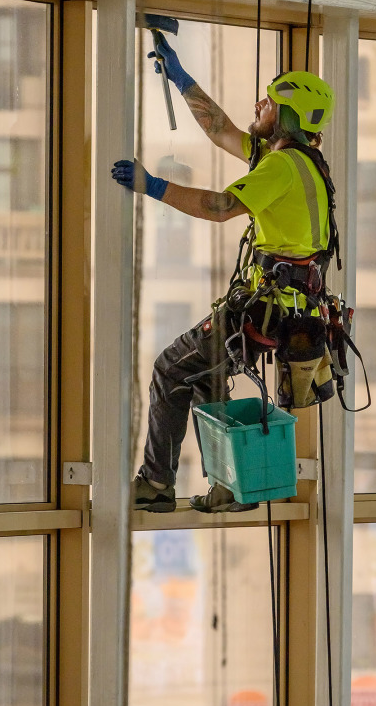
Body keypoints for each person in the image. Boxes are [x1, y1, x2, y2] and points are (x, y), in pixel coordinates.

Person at [112, 37, 336, 514]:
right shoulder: (304, 164)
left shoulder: (281, 166)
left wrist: (152, 186)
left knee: (172, 368)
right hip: (286, 310)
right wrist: (180, 76)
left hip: (266, 310)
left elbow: (219, 207)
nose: (260, 105)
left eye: (270, 102)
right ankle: (229, 488)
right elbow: (221, 130)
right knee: (205, 378)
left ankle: (156, 484)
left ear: (288, 116)